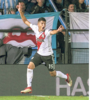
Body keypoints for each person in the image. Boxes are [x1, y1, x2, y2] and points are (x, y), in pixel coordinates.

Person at [17, 3, 72, 93]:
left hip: (48, 56)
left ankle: (66, 77)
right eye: (42, 23)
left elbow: (52, 32)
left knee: (53, 74)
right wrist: (20, 12)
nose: (43, 25)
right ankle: (29, 87)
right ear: (38, 24)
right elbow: (25, 21)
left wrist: (58, 30)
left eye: (44, 24)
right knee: (29, 67)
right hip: (39, 54)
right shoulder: (35, 28)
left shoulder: (46, 32)